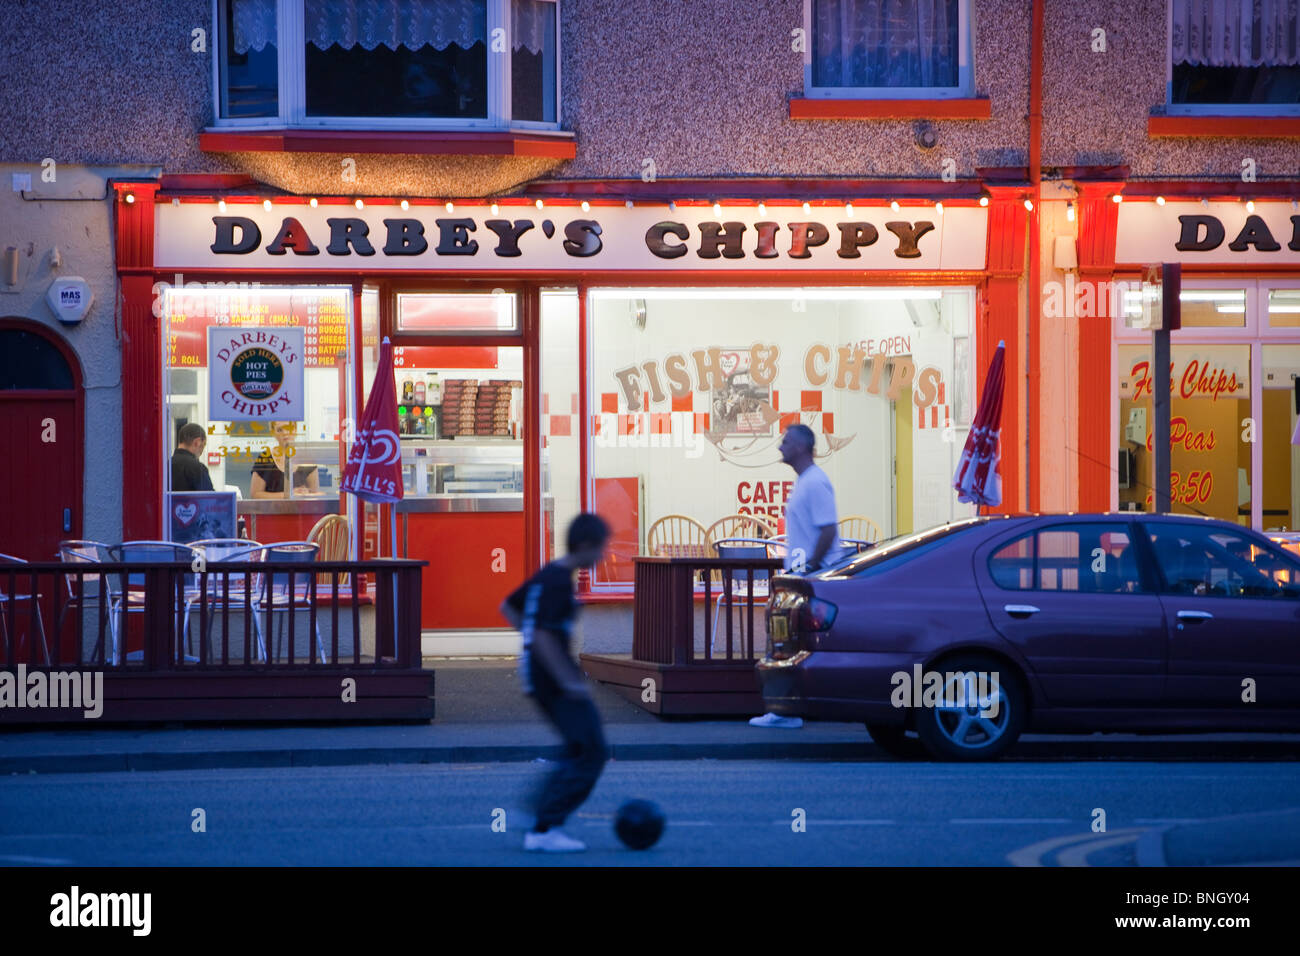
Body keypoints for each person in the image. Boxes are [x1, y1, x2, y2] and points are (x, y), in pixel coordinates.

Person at [500, 513, 611, 852]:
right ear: (584, 545)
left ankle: (538, 812)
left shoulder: (550, 574)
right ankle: (545, 828)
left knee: (576, 748)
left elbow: (508, 607)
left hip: (540, 677)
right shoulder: (559, 581)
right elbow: (545, 636)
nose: (603, 556)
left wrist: (532, 641)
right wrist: (569, 681)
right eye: (601, 548)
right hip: (554, 681)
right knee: (592, 751)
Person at [750, 423, 849, 729]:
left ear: (803, 447)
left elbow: (828, 528)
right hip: (805, 576)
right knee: (789, 644)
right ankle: (787, 709)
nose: (781, 446)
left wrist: (810, 568)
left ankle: (786, 712)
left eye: (786, 441)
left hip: (811, 578)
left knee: (790, 644)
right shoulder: (806, 482)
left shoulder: (814, 482)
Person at [250, 421, 320, 498]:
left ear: (295, 429)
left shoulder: (307, 459)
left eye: (289, 428)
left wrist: (306, 493)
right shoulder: (265, 458)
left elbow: (314, 496)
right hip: (271, 509)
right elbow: (255, 495)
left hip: (299, 509)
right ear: (273, 433)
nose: (285, 433)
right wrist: (289, 495)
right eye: (280, 430)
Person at [171, 422, 214, 492]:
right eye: (204, 445)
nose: (202, 452)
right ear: (197, 442)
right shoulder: (198, 468)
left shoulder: (165, 466)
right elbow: (209, 499)